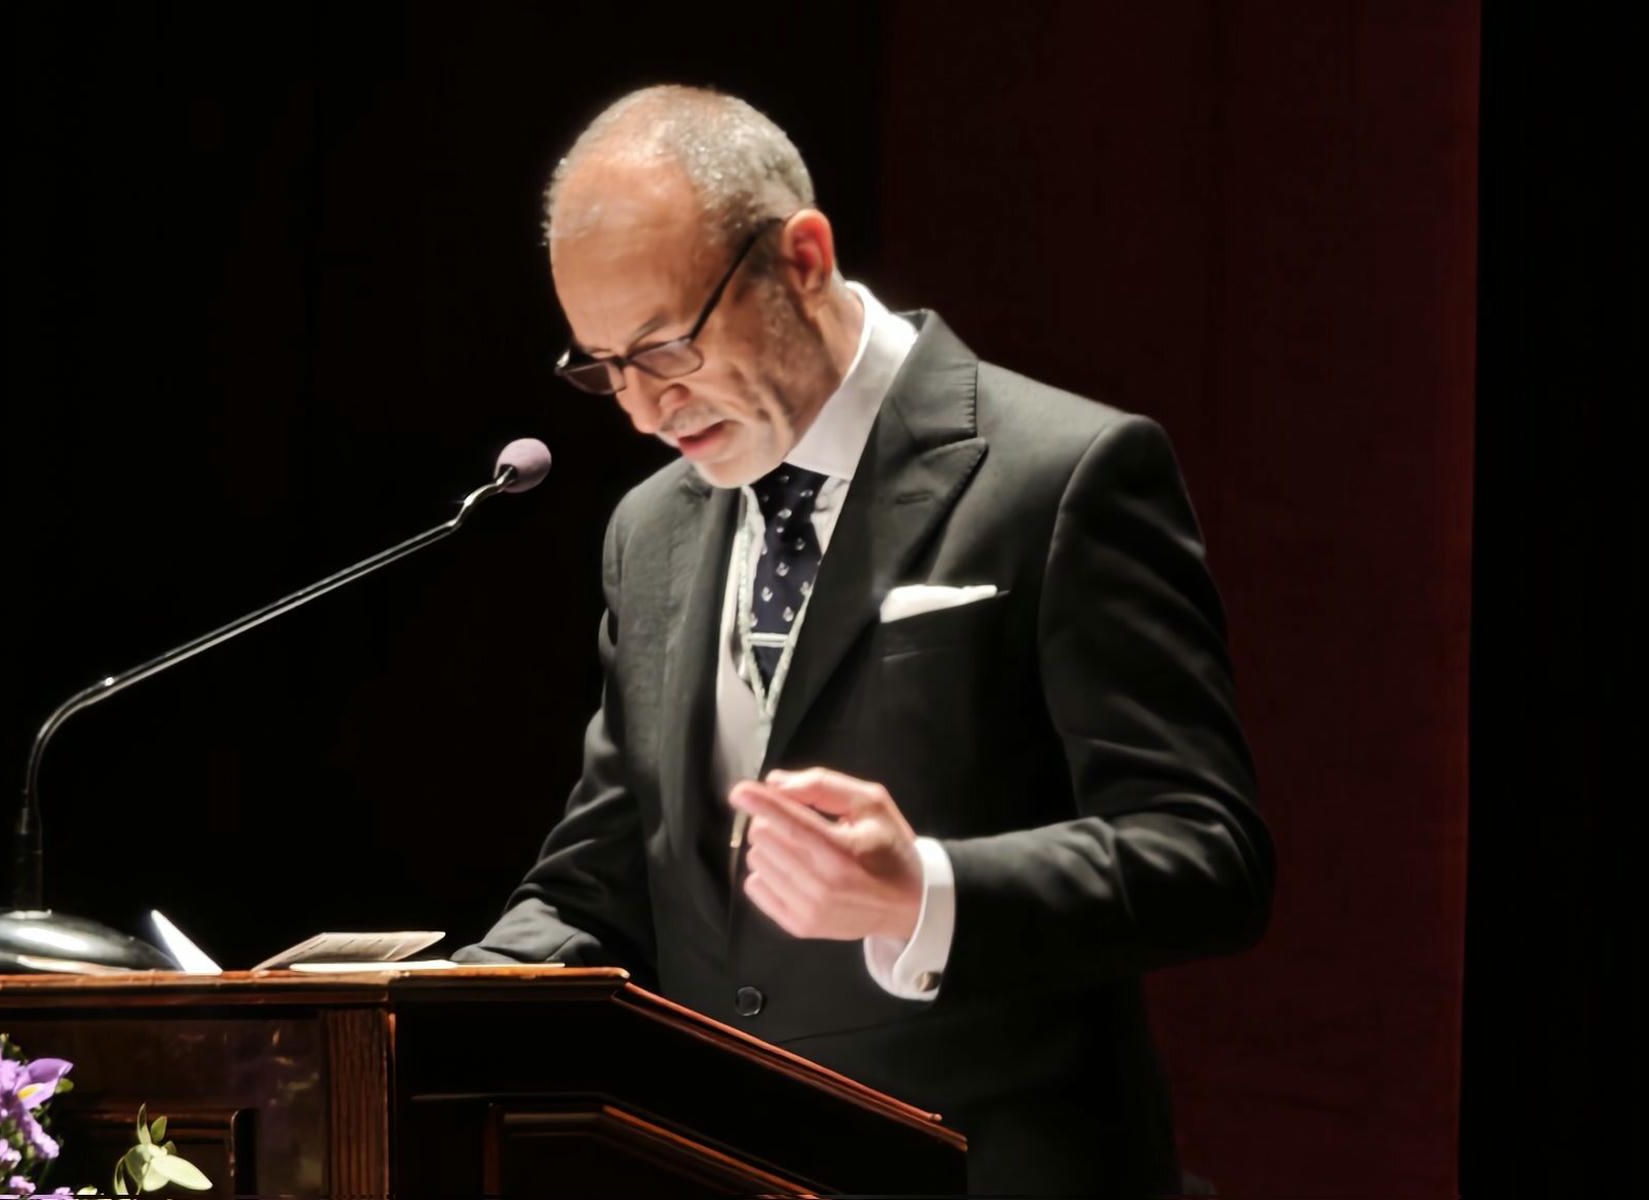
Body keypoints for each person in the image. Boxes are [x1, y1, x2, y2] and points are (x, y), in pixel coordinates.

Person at [456, 84, 1274, 1197]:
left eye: (665, 349)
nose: (643, 413)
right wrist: (416, 1015)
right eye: (603, 367)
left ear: (800, 256)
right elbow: (601, 884)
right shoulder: (649, 529)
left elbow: (1205, 856)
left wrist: (926, 891)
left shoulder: (1062, 474)